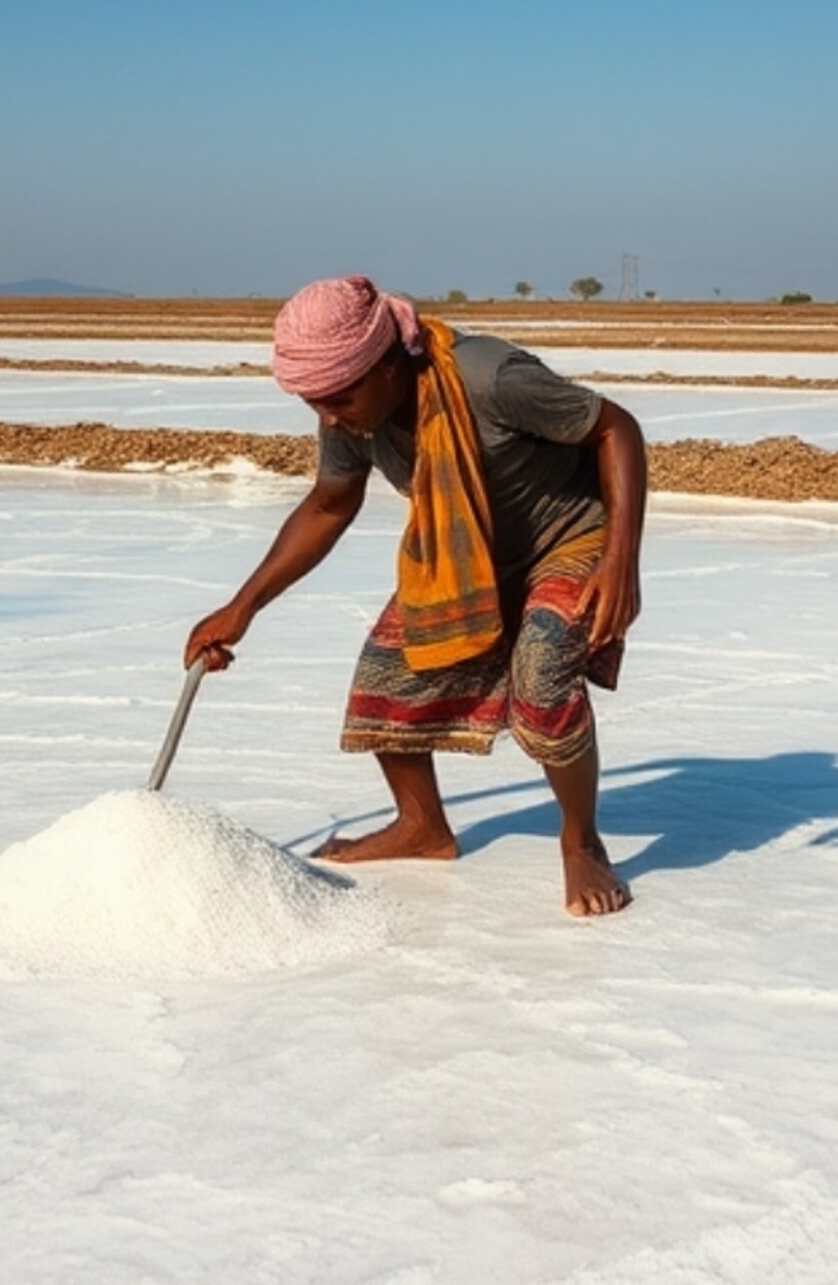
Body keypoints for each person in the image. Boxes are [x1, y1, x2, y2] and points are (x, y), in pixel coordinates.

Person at [184, 275, 647, 917]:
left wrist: (622, 560)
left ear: (385, 364)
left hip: (567, 539)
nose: (326, 416)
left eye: (337, 397)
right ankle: (423, 827)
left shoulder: (489, 377)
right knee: (386, 678)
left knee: (541, 676)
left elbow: (616, 430)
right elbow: (329, 503)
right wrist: (244, 606)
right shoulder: (352, 413)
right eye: (313, 401)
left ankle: (581, 841)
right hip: (467, 551)